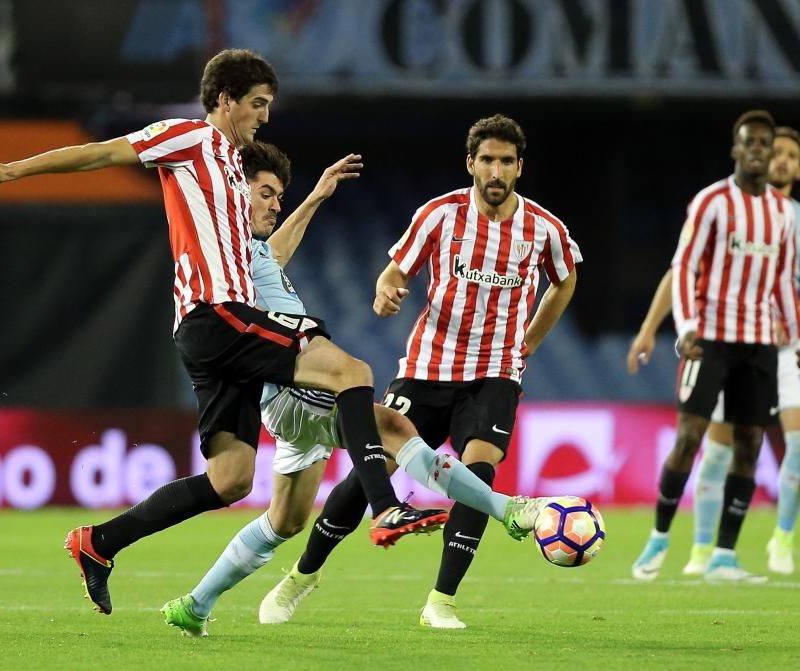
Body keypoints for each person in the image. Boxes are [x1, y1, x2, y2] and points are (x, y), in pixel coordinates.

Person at [0, 48, 445, 616]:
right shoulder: (188, 138)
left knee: (232, 480)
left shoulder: (235, 173)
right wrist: (15, 170)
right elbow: (103, 153)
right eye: (256, 104)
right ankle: (385, 507)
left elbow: (263, 258)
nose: (263, 116)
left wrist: (310, 200)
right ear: (225, 100)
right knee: (351, 372)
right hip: (216, 315)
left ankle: (100, 543)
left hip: (220, 327)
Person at [159, 141, 557, 637]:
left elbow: (270, 254)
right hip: (290, 385)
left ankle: (196, 604)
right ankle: (500, 510)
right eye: (267, 194)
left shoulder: (251, 252)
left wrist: (314, 199)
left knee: (284, 520)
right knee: (389, 424)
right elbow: (252, 270)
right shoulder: (225, 257)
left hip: (286, 401)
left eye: (278, 196)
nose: (274, 203)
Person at [258, 114, 582, 629]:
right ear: (470, 164)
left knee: (478, 473)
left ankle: (441, 601)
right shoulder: (439, 215)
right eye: (487, 161)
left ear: (520, 167)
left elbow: (564, 281)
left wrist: (530, 343)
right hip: (427, 368)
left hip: (495, 373)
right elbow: (395, 270)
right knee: (368, 479)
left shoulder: (545, 229)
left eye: (506, 161)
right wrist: (386, 289)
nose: (496, 171)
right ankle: (301, 575)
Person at [627, 126, 800, 576]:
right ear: (737, 149)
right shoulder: (711, 202)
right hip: (712, 338)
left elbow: (783, 282)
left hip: (761, 343)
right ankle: (659, 539)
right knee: (691, 438)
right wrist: (683, 326)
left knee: (751, 443)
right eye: (754, 144)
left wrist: (794, 334)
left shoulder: (790, 216)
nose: (764, 154)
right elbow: (682, 266)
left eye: (771, 147)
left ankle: (725, 554)